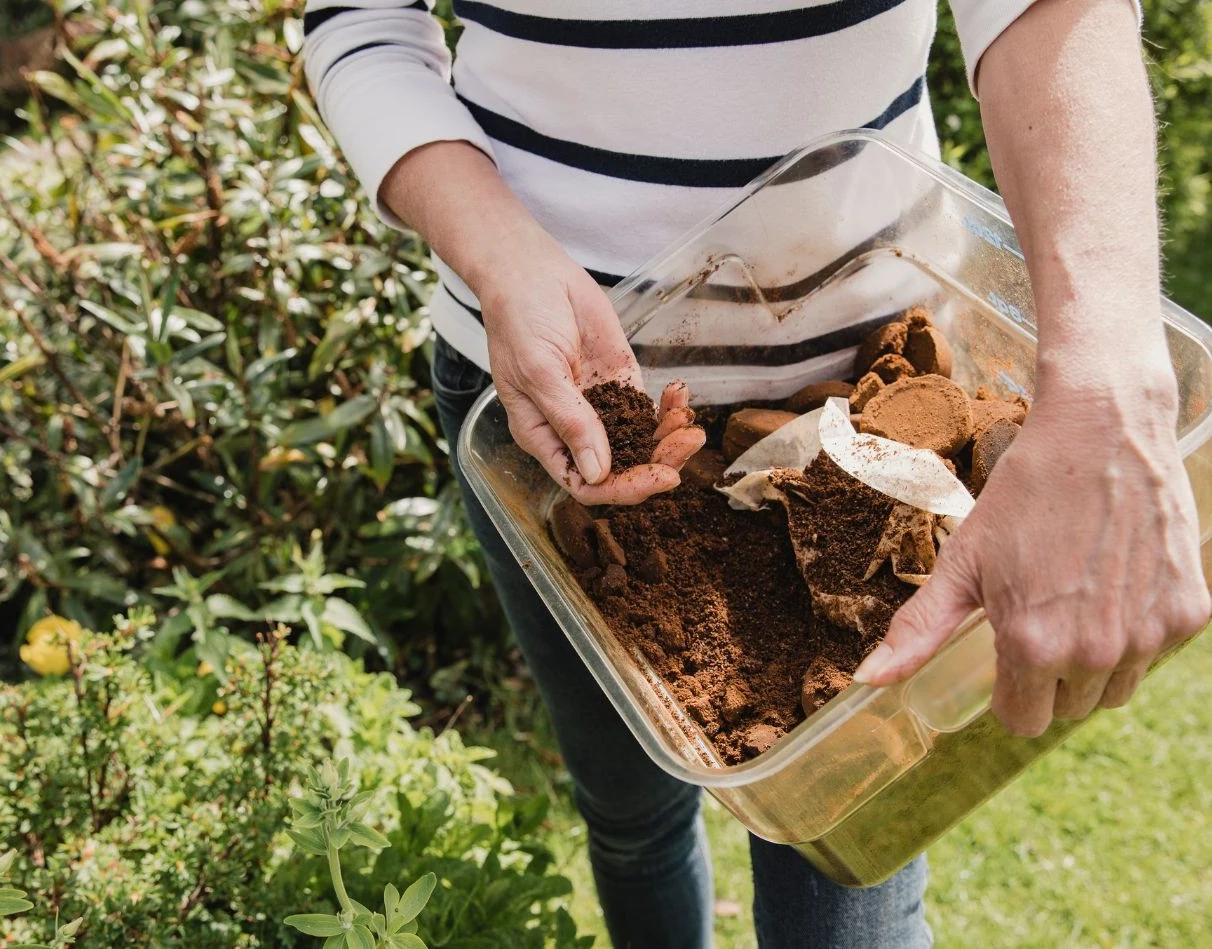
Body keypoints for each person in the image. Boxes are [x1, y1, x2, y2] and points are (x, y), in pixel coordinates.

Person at [303, 0, 1210, 945]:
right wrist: (501, 255)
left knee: (849, 878)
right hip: (557, 412)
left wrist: (1107, 390)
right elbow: (357, 21)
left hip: (879, 399)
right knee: (630, 813)